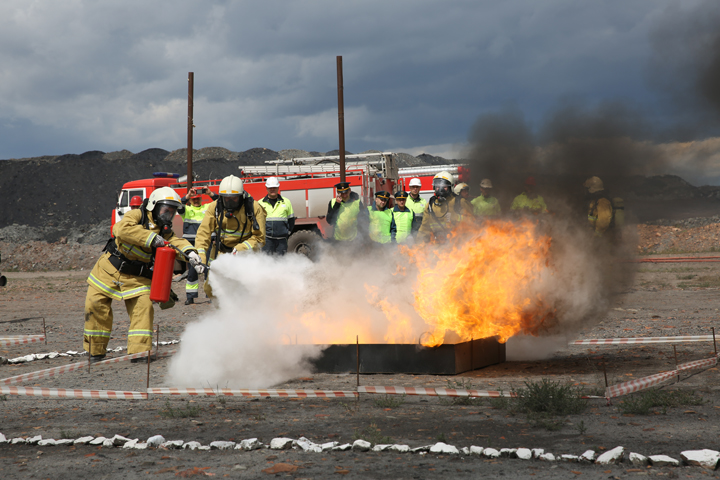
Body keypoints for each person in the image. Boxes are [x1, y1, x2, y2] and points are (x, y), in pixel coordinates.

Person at [83, 187, 202, 363]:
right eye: (165, 210)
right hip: (108, 270)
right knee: (95, 305)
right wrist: (151, 238)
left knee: (144, 308)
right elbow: (121, 229)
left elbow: (175, 241)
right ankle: (95, 352)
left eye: (172, 211)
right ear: (154, 206)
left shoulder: (164, 229)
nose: (168, 215)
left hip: (137, 276)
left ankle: (138, 353)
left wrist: (190, 252)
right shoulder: (137, 216)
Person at [195, 175, 267, 298]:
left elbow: (260, 238)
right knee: (211, 289)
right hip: (220, 253)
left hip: (246, 255)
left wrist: (241, 248)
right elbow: (203, 233)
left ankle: (247, 314)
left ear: (241, 196)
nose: (229, 202)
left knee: (246, 289)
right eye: (226, 198)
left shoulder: (253, 208)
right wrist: (200, 255)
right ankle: (224, 313)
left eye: (233, 199)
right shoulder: (215, 207)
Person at [180, 185, 218, 305]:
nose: (196, 200)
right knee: (192, 270)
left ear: (201, 198)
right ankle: (190, 297)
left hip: (206, 242)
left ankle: (210, 294)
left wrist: (210, 193)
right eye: (193, 198)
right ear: (191, 199)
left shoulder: (207, 208)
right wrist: (187, 195)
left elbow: (220, 203)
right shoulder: (186, 210)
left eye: (197, 198)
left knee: (208, 268)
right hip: (191, 244)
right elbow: (178, 205)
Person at [417, 171, 474, 243]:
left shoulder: (460, 203)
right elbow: (424, 228)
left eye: (444, 187)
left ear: (451, 187)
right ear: (434, 187)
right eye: (438, 187)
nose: (440, 189)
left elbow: (473, 222)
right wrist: (418, 244)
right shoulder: (430, 205)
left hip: (457, 246)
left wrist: (456, 217)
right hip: (436, 247)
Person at [258, 177, 295, 255]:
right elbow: (256, 222)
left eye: (274, 187)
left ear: (278, 187)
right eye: (270, 188)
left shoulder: (286, 202)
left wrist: (287, 233)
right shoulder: (260, 203)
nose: (272, 189)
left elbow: (291, 220)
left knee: (281, 263)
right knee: (267, 262)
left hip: (282, 240)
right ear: (266, 188)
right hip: (267, 240)